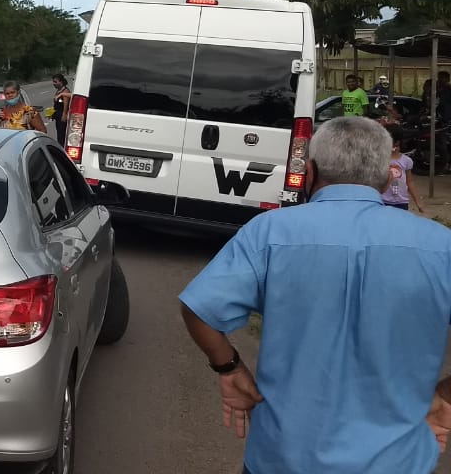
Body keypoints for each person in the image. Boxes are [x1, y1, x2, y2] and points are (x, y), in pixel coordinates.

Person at [179, 116, 451, 474]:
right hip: (400, 460)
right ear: (388, 177)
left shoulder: (270, 232)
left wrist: (229, 368)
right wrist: (444, 395)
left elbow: (199, 308)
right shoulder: (440, 246)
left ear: (309, 171)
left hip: (283, 459)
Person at [383, 123, 423, 212]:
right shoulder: (380, 159)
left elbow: (410, 182)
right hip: (383, 201)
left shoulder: (406, 161)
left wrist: (418, 202)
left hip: (401, 202)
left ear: (397, 142)